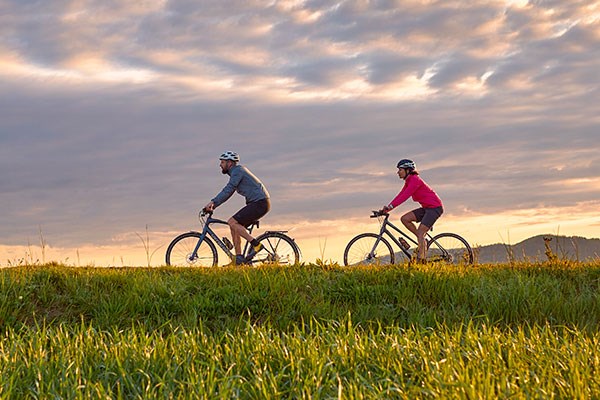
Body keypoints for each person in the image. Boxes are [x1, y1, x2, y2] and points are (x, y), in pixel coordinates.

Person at [204, 151, 270, 265]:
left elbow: (228, 190)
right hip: (258, 203)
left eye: (222, 162)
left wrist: (213, 203)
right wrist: (214, 203)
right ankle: (238, 259)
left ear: (229, 163)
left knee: (232, 222)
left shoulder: (238, 171)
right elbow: (228, 191)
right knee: (234, 226)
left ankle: (256, 245)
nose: (220, 165)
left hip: (260, 203)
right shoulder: (237, 172)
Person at [380, 159, 443, 264]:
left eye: (400, 169)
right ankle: (422, 241)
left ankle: (421, 260)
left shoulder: (415, 180)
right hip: (426, 208)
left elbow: (404, 197)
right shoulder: (408, 181)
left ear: (407, 170)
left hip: (434, 208)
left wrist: (389, 207)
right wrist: (387, 208)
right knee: (405, 219)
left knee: (421, 232)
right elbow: (400, 195)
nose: (398, 172)